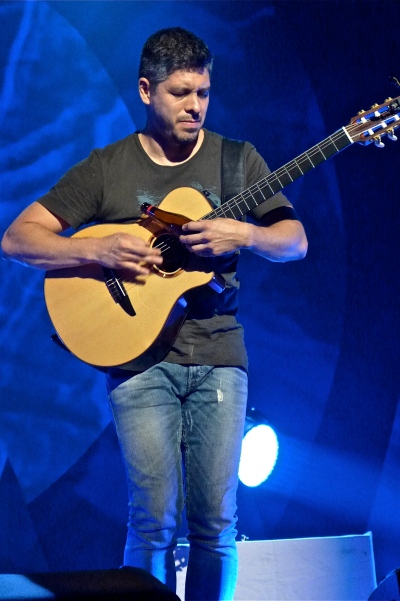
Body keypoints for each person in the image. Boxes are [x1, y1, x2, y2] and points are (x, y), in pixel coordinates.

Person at [1, 27, 307, 601]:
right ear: (146, 91)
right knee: (152, 521)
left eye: (204, 93)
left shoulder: (237, 162)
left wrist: (242, 232)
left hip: (219, 354)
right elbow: (18, 239)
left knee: (215, 523)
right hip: (138, 361)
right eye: (181, 93)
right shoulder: (107, 167)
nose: (196, 106)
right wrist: (98, 248)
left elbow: (295, 241)